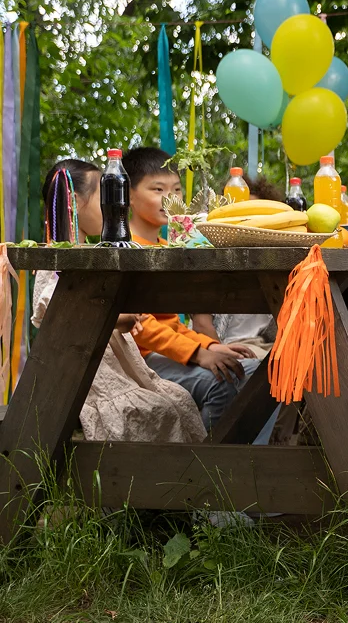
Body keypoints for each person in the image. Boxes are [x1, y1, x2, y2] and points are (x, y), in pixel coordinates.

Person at [31, 160, 206, 443]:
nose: (113, 205)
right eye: (104, 195)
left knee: (179, 400)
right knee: (158, 409)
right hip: (87, 378)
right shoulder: (53, 260)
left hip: (113, 369)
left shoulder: (91, 253)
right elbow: (60, 314)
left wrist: (118, 319)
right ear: (74, 202)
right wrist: (115, 318)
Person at [122, 147, 260, 431]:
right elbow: (141, 326)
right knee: (229, 380)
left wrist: (211, 345)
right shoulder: (125, 248)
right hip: (140, 358)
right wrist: (198, 353)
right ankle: (204, 453)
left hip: (170, 350)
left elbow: (171, 324)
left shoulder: (167, 247)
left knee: (262, 372)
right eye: (158, 189)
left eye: (176, 190)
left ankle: (241, 456)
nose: (170, 199)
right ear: (129, 195)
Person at [192, 176, 280, 359]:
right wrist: (222, 354)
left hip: (266, 347)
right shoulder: (210, 261)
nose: (247, 225)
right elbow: (201, 324)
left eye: (256, 218)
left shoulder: (277, 264)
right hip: (220, 346)